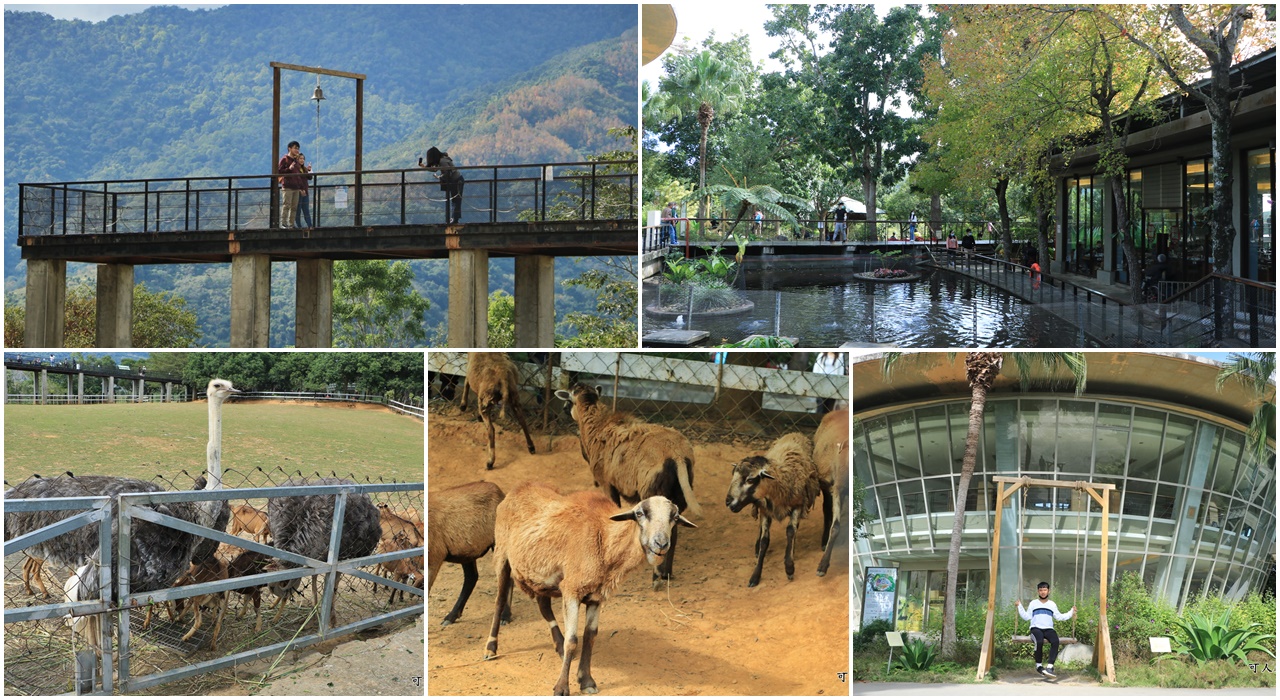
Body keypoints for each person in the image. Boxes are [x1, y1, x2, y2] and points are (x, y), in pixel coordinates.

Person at [1016, 582, 1076, 679]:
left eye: (1045, 590)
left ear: (1048, 591)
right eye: (1040, 590)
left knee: (1055, 641)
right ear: (1038, 591)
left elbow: (1059, 617)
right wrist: (1019, 606)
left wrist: (1071, 612)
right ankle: (1039, 666)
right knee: (1039, 641)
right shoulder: (1033, 603)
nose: (1043, 592)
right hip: (1036, 628)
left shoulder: (1052, 604)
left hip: (1048, 629)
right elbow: (1026, 617)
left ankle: (1050, 667)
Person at [420, 147, 465, 224]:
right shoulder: (442, 160)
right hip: (456, 180)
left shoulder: (442, 161)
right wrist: (424, 167)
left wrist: (440, 177)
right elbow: (436, 169)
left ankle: (455, 219)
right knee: (455, 200)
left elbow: (447, 172)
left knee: (456, 200)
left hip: (457, 181)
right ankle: (454, 218)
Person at [277, 141, 307, 228]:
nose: (297, 150)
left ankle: (291, 224)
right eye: (295, 148)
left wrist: (301, 187)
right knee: (286, 205)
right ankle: (283, 223)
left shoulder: (296, 161)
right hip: (287, 186)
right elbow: (279, 171)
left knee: (294, 207)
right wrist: (289, 169)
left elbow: (298, 175)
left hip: (296, 187)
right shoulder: (284, 159)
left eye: (298, 148)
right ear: (289, 148)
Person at [293, 152, 314, 229]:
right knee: (298, 210)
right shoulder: (296, 169)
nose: (302, 160)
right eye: (300, 159)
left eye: (303, 159)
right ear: (297, 159)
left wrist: (309, 170)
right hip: (299, 191)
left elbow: (310, 177)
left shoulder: (304, 168)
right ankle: (299, 225)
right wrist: (300, 189)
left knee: (306, 210)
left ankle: (310, 225)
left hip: (305, 191)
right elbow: (296, 180)